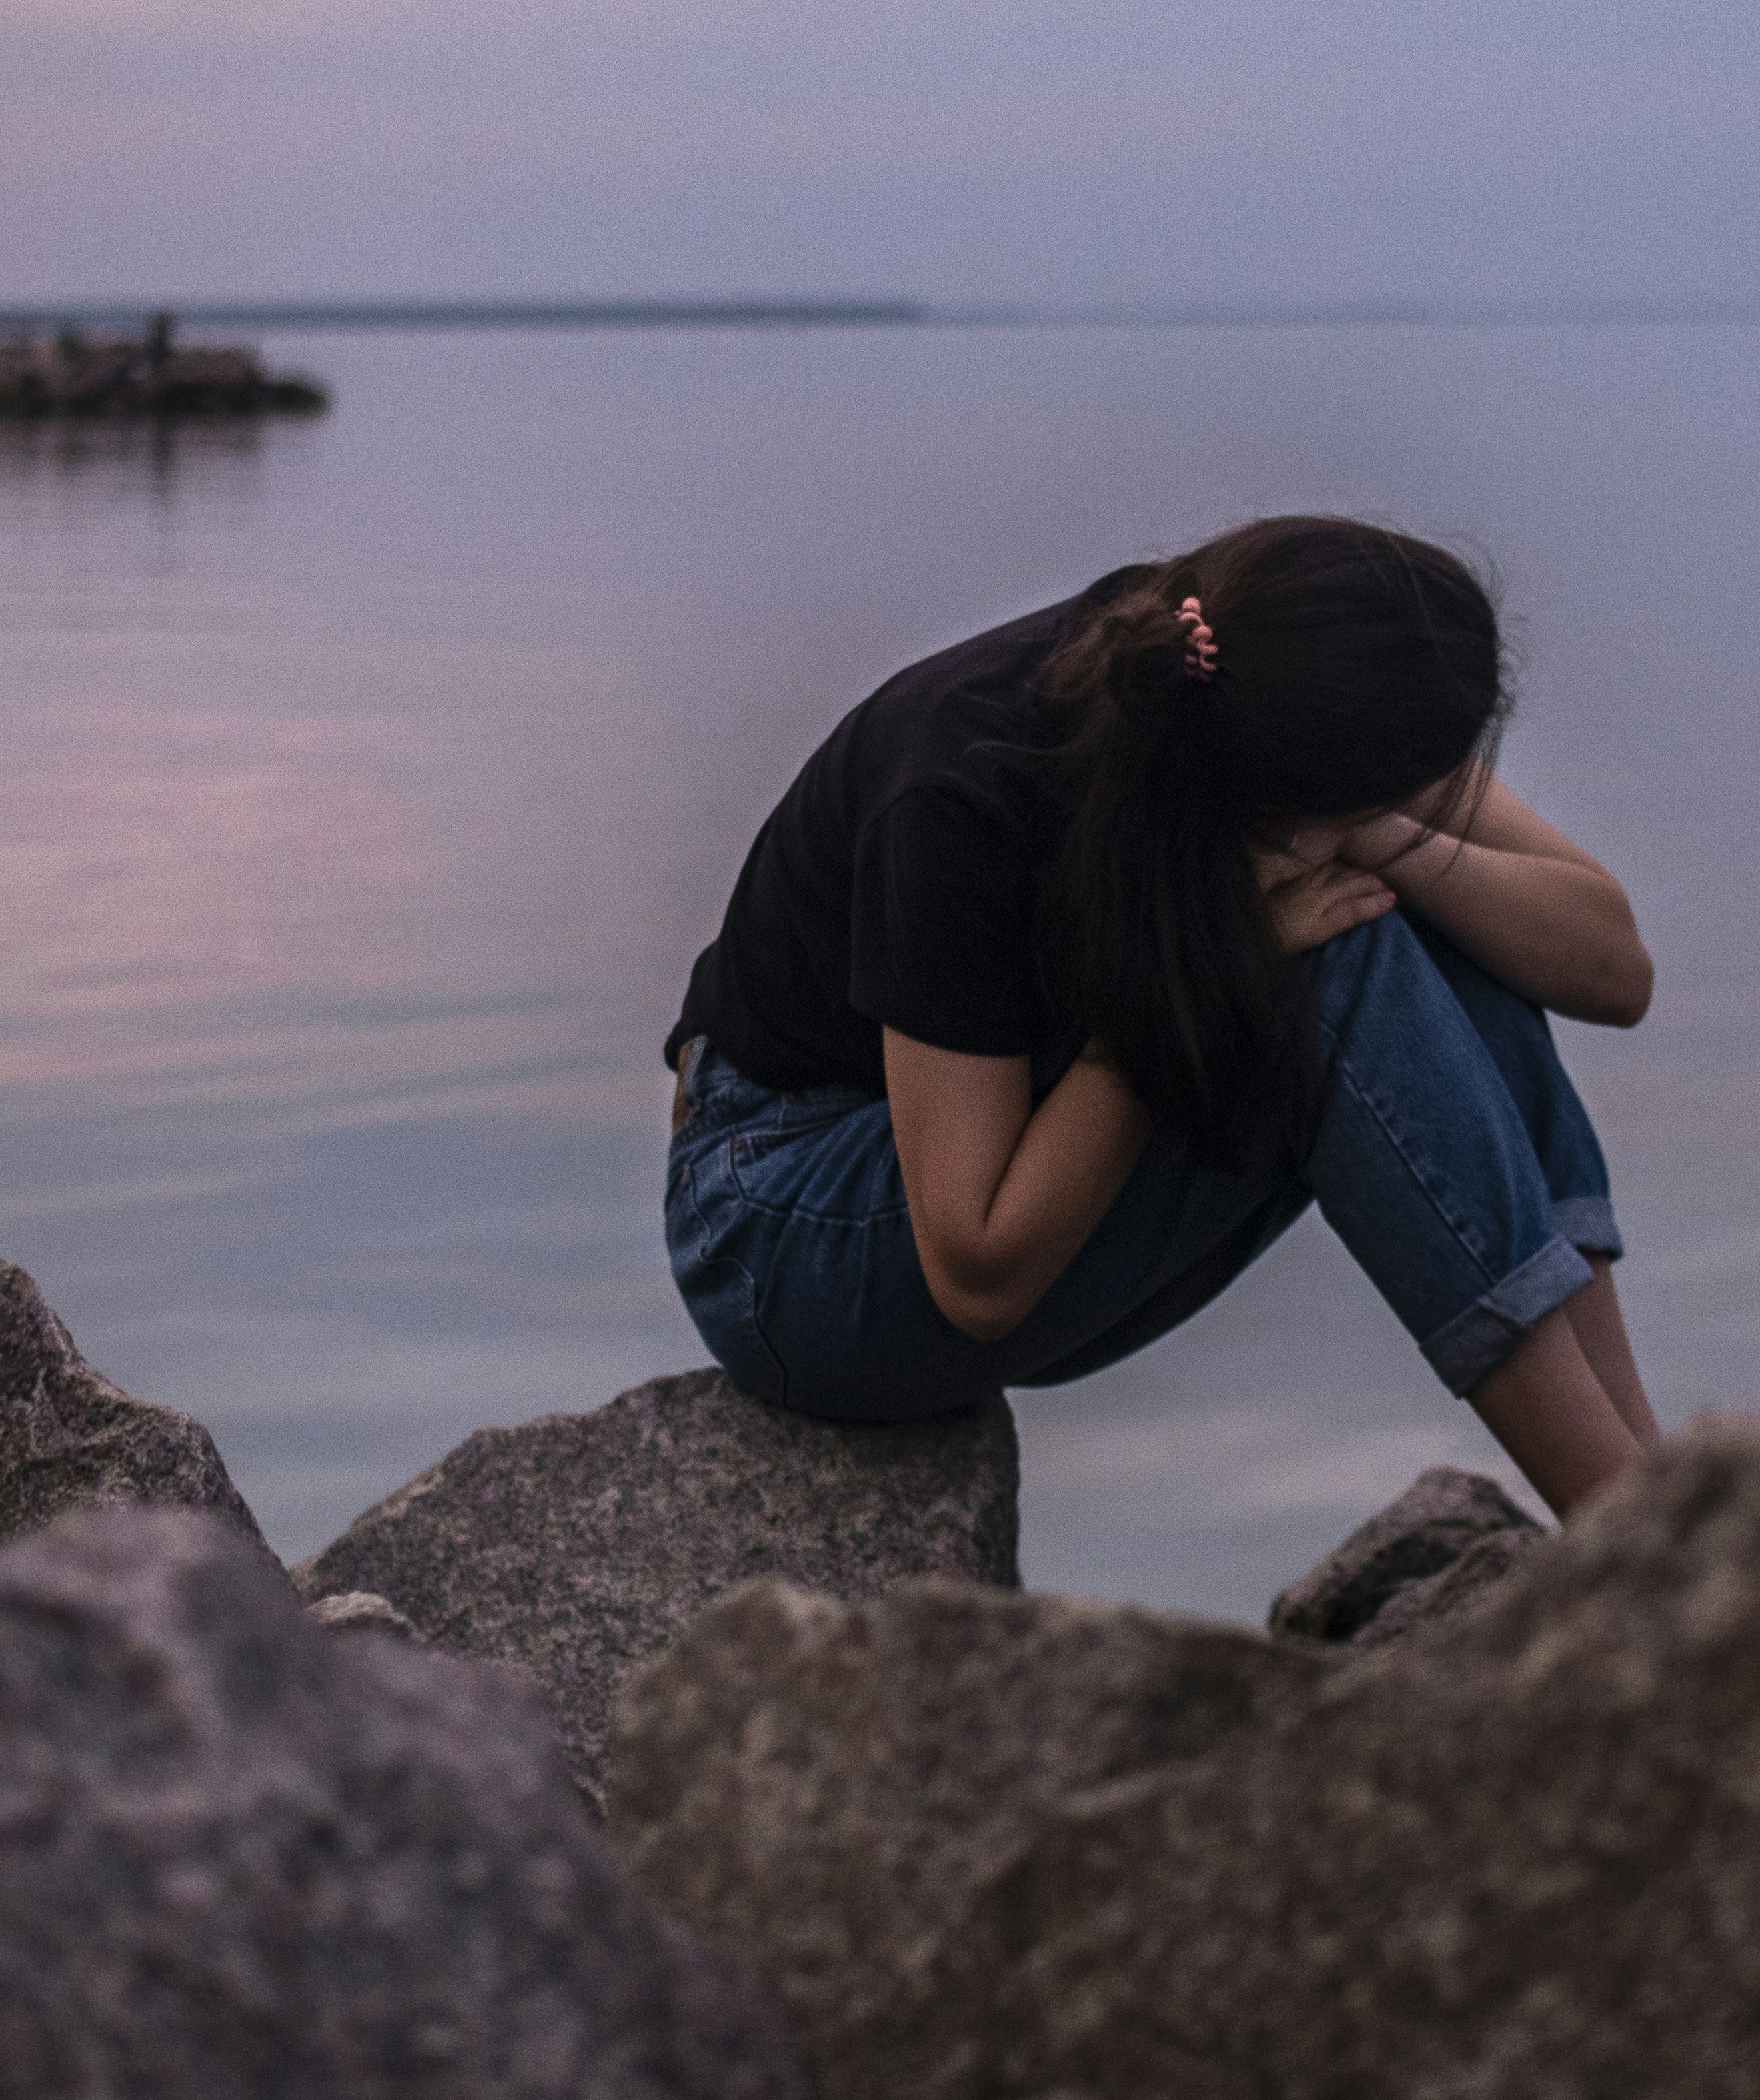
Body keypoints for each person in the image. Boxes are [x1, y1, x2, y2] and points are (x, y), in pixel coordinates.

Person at [660, 514, 1660, 1518]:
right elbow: (977, 1271)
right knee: (1331, 961)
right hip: (780, 1227)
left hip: (987, 1186)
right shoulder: (966, 794)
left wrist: (1386, 839)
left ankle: (1653, 1498)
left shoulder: (1257, 678)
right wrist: (1223, 969)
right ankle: (1628, 1541)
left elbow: (1613, 971)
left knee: (1432, 915)